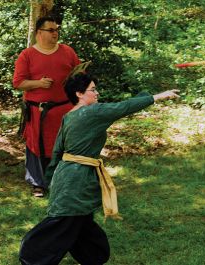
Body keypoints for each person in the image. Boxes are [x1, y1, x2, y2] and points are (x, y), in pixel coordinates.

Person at [18, 72, 179, 265]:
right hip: (74, 181)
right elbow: (122, 107)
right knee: (62, 224)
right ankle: (31, 257)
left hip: (68, 177)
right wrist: (157, 97)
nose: (97, 93)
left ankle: (93, 258)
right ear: (79, 93)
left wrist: (52, 179)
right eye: (93, 90)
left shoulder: (70, 115)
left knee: (82, 224)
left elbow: (58, 151)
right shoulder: (92, 112)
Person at [13, 16, 81, 197]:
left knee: (64, 146)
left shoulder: (67, 51)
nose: (55, 33)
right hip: (38, 111)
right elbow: (18, 83)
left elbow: (80, 74)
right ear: (39, 33)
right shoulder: (26, 55)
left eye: (57, 30)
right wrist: (38, 84)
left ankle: (63, 181)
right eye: (51, 30)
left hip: (65, 109)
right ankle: (38, 184)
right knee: (36, 146)